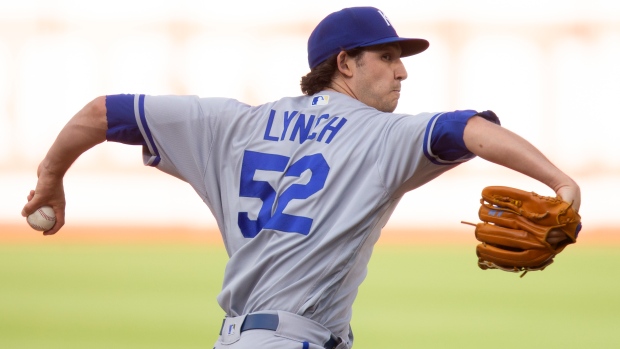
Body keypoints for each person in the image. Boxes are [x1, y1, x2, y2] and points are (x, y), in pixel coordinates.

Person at [21, 6, 580, 349]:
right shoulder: (379, 136)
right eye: (386, 56)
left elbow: (100, 112)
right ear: (345, 64)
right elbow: (471, 130)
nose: (401, 69)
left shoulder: (230, 125)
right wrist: (561, 184)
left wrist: (50, 180)